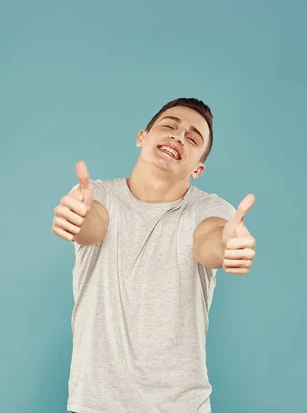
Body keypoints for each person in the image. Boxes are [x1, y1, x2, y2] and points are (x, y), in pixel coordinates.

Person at [52, 98, 257, 413]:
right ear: (142, 137)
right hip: (96, 404)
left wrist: (228, 246)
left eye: (192, 138)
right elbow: (93, 225)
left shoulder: (209, 209)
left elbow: (209, 241)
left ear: (198, 168)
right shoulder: (98, 195)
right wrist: (77, 217)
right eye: (169, 125)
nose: (178, 136)